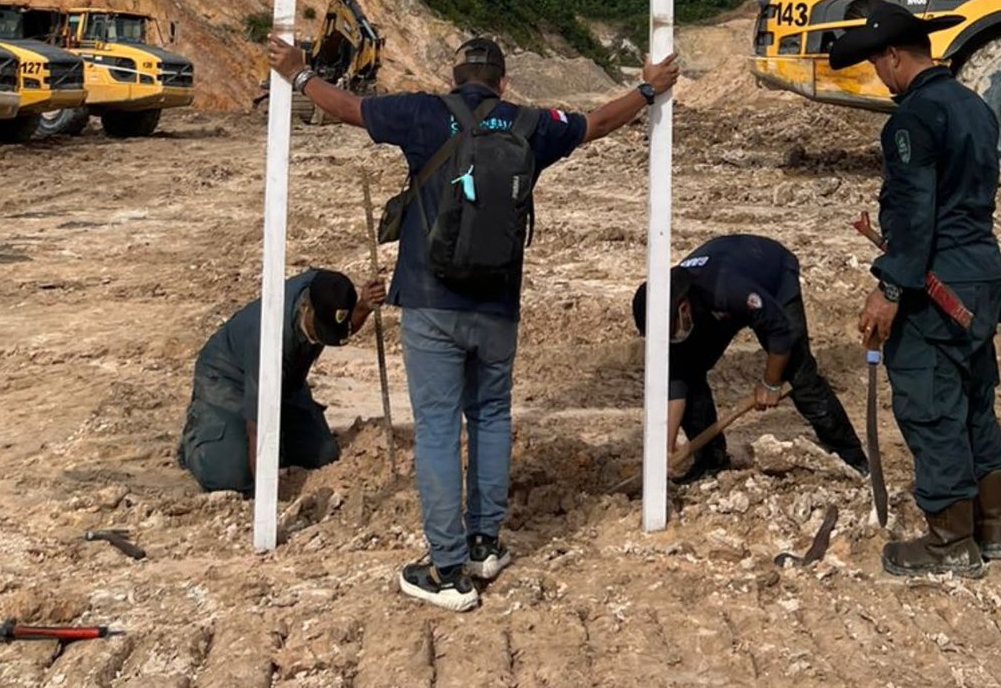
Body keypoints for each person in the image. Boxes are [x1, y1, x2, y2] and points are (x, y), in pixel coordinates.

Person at [267, 31, 680, 612]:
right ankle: (485, 544)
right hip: (498, 305)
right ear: (504, 82)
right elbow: (595, 124)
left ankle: (446, 568)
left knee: (438, 428)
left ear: (452, 79)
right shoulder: (530, 123)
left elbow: (349, 108)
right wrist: (646, 87)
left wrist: (298, 74)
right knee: (490, 416)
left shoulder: (420, 113)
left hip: (432, 303)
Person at [828, 1, 1001, 578]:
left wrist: (887, 287)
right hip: (980, 276)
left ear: (892, 56)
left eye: (876, 64)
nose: (878, 78)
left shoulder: (913, 119)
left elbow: (914, 215)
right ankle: (992, 524)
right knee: (976, 399)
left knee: (931, 406)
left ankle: (951, 541)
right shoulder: (974, 106)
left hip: (939, 284)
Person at [631, 233, 867, 481]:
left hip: (770, 273)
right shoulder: (672, 310)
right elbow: (677, 382)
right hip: (722, 298)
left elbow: (779, 329)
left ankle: (852, 459)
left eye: (669, 332)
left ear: (682, 309)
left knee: (799, 375)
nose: (670, 339)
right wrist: (667, 448)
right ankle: (711, 462)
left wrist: (770, 382)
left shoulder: (725, 289)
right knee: (689, 374)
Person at [177, 267, 385, 496]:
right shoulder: (267, 337)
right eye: (319, 334)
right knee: (233, 476)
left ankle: (279, 441)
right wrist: (266, 493)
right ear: (305, 308)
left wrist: (363, 307)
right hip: (228, 381)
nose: (321, 340)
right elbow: (257, 424)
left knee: (324, 455)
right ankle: (199, 439)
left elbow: (341, 329)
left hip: (286, 380)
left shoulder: (326, 293)